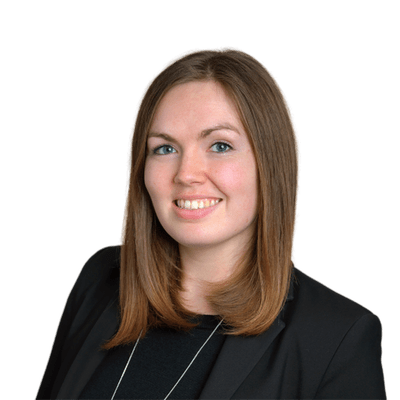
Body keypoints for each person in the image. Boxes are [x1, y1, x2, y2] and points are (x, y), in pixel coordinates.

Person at [35, 46, 387, 400]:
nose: (186, 174)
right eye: (164, 148)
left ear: (270, 164)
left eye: (220, 146)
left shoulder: (338, 337)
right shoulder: (100, 279)